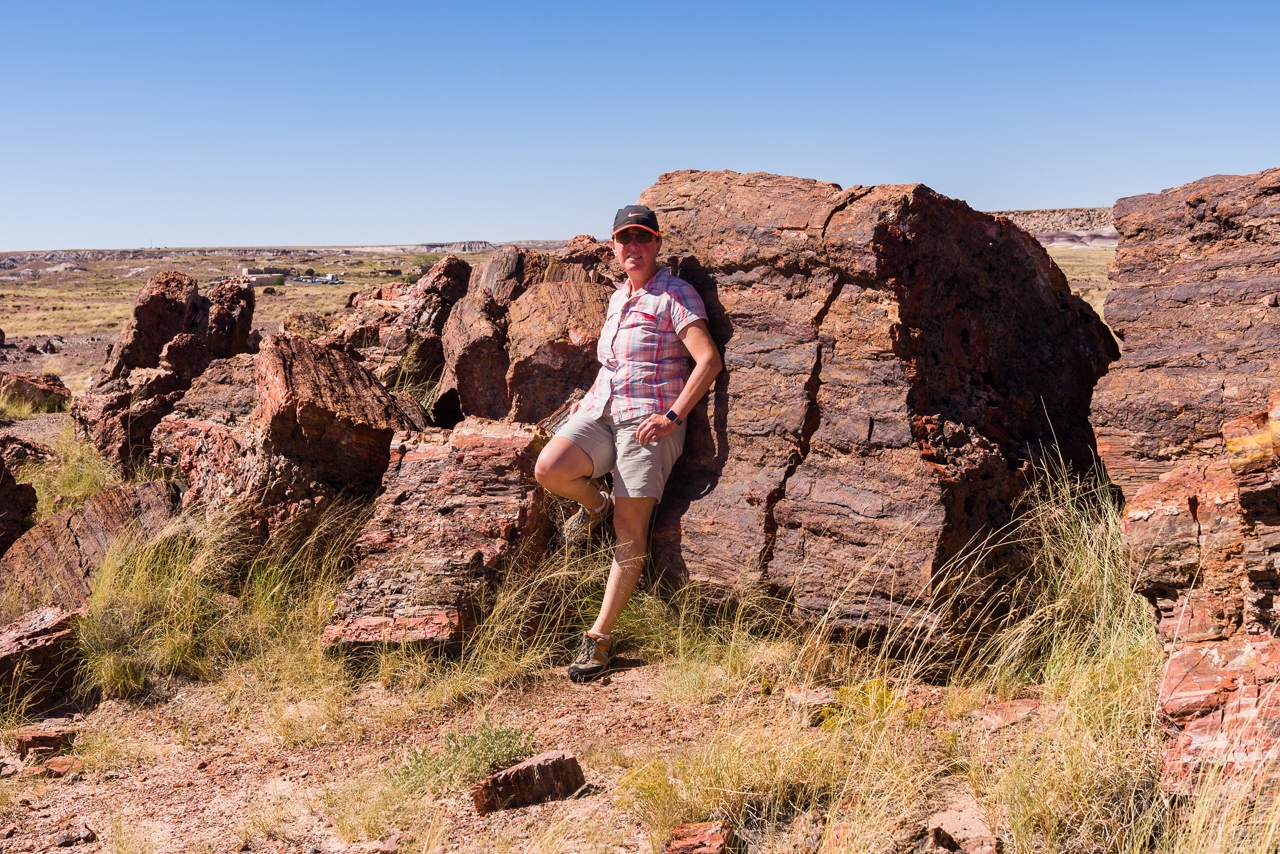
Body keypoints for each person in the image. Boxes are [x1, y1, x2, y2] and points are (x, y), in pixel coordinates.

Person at [534, 204, 722, 682]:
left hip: (649, 424)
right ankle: (593, 506)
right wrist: (587, 401)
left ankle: (598, 640)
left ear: (657, 243)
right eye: (624, 239)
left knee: (628, 531)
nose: (632, 247)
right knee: (549, 468)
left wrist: (673, 415)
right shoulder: (620, 297)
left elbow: (708, 361)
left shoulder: (674, 294)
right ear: (613, 247)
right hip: (603, 411)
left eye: (642, 237)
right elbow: (613, 364)